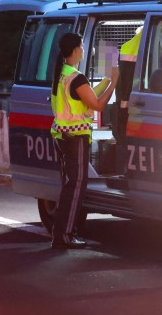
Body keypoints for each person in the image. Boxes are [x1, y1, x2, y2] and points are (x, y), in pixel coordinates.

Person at [50, 32, 118, 249]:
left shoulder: (63, 74)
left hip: (62, 135)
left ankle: (61, 233)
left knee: (69, 185)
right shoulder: (76, 77)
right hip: (75, 137)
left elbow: (86, 96)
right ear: (76, 50)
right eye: (81, 46)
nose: (84, 49)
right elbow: (97, 105)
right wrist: (114, 82)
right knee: (76, 185)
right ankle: (65, 235)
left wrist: (106, 80)